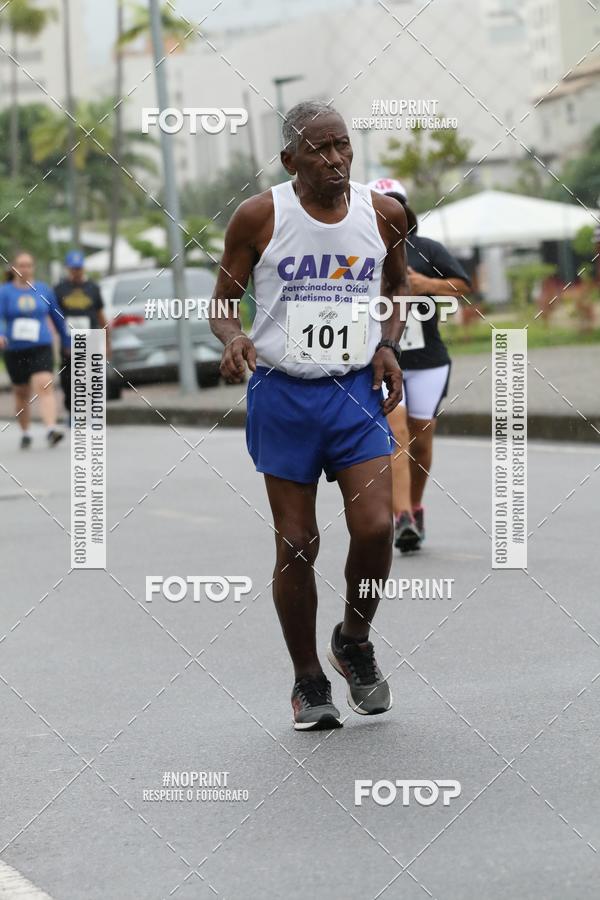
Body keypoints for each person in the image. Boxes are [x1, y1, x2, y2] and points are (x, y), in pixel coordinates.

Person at [210, 101, 409, 731]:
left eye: (342, 145)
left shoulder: (384, 214)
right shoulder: (260, 216)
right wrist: (234, 338)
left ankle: (353, 641)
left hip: (354, 391)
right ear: (289, 159)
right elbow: (222, 303)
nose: (335, 159)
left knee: (375, 528)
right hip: (283, 394)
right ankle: (308, 680)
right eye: (319, 149)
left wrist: (387, 344)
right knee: (297, 543)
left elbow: (394, 288)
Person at [368, 179, 472, 552]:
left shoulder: (426, 249)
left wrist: (426, 283)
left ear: (407, 210)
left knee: (421, 438)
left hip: (427, 359)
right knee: (398, 436)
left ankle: (414, 507)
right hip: (383, 358)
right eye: (382, 204)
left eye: (396, 204)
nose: (390, 211)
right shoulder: (361, 248)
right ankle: (402, 520)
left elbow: (462, 285)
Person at [0, 251, 71, 448]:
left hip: (41, 345)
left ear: (33, 268)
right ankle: (25, 432)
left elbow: (57, 316)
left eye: (28, 265)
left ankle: (51, 429)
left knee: (44, 384)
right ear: (14, 268)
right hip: (15, 348)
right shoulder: (4, 292)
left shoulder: (43, 289)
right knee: (21, 392)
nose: (25, 269)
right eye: (21, 265)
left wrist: (67, 341)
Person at [54, 250, 109, 421]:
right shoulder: (59, 289)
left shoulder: (93, 288)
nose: (76, 272)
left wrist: (107, 342)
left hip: (91, 336)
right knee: (68, 378)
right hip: (69, 339)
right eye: (73, 268)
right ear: (68, 269)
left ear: (83, 268)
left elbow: (100, 315)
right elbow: (54, 317)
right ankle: (72, 412)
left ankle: (92, 412)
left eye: (78, 268)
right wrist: (60, 342)